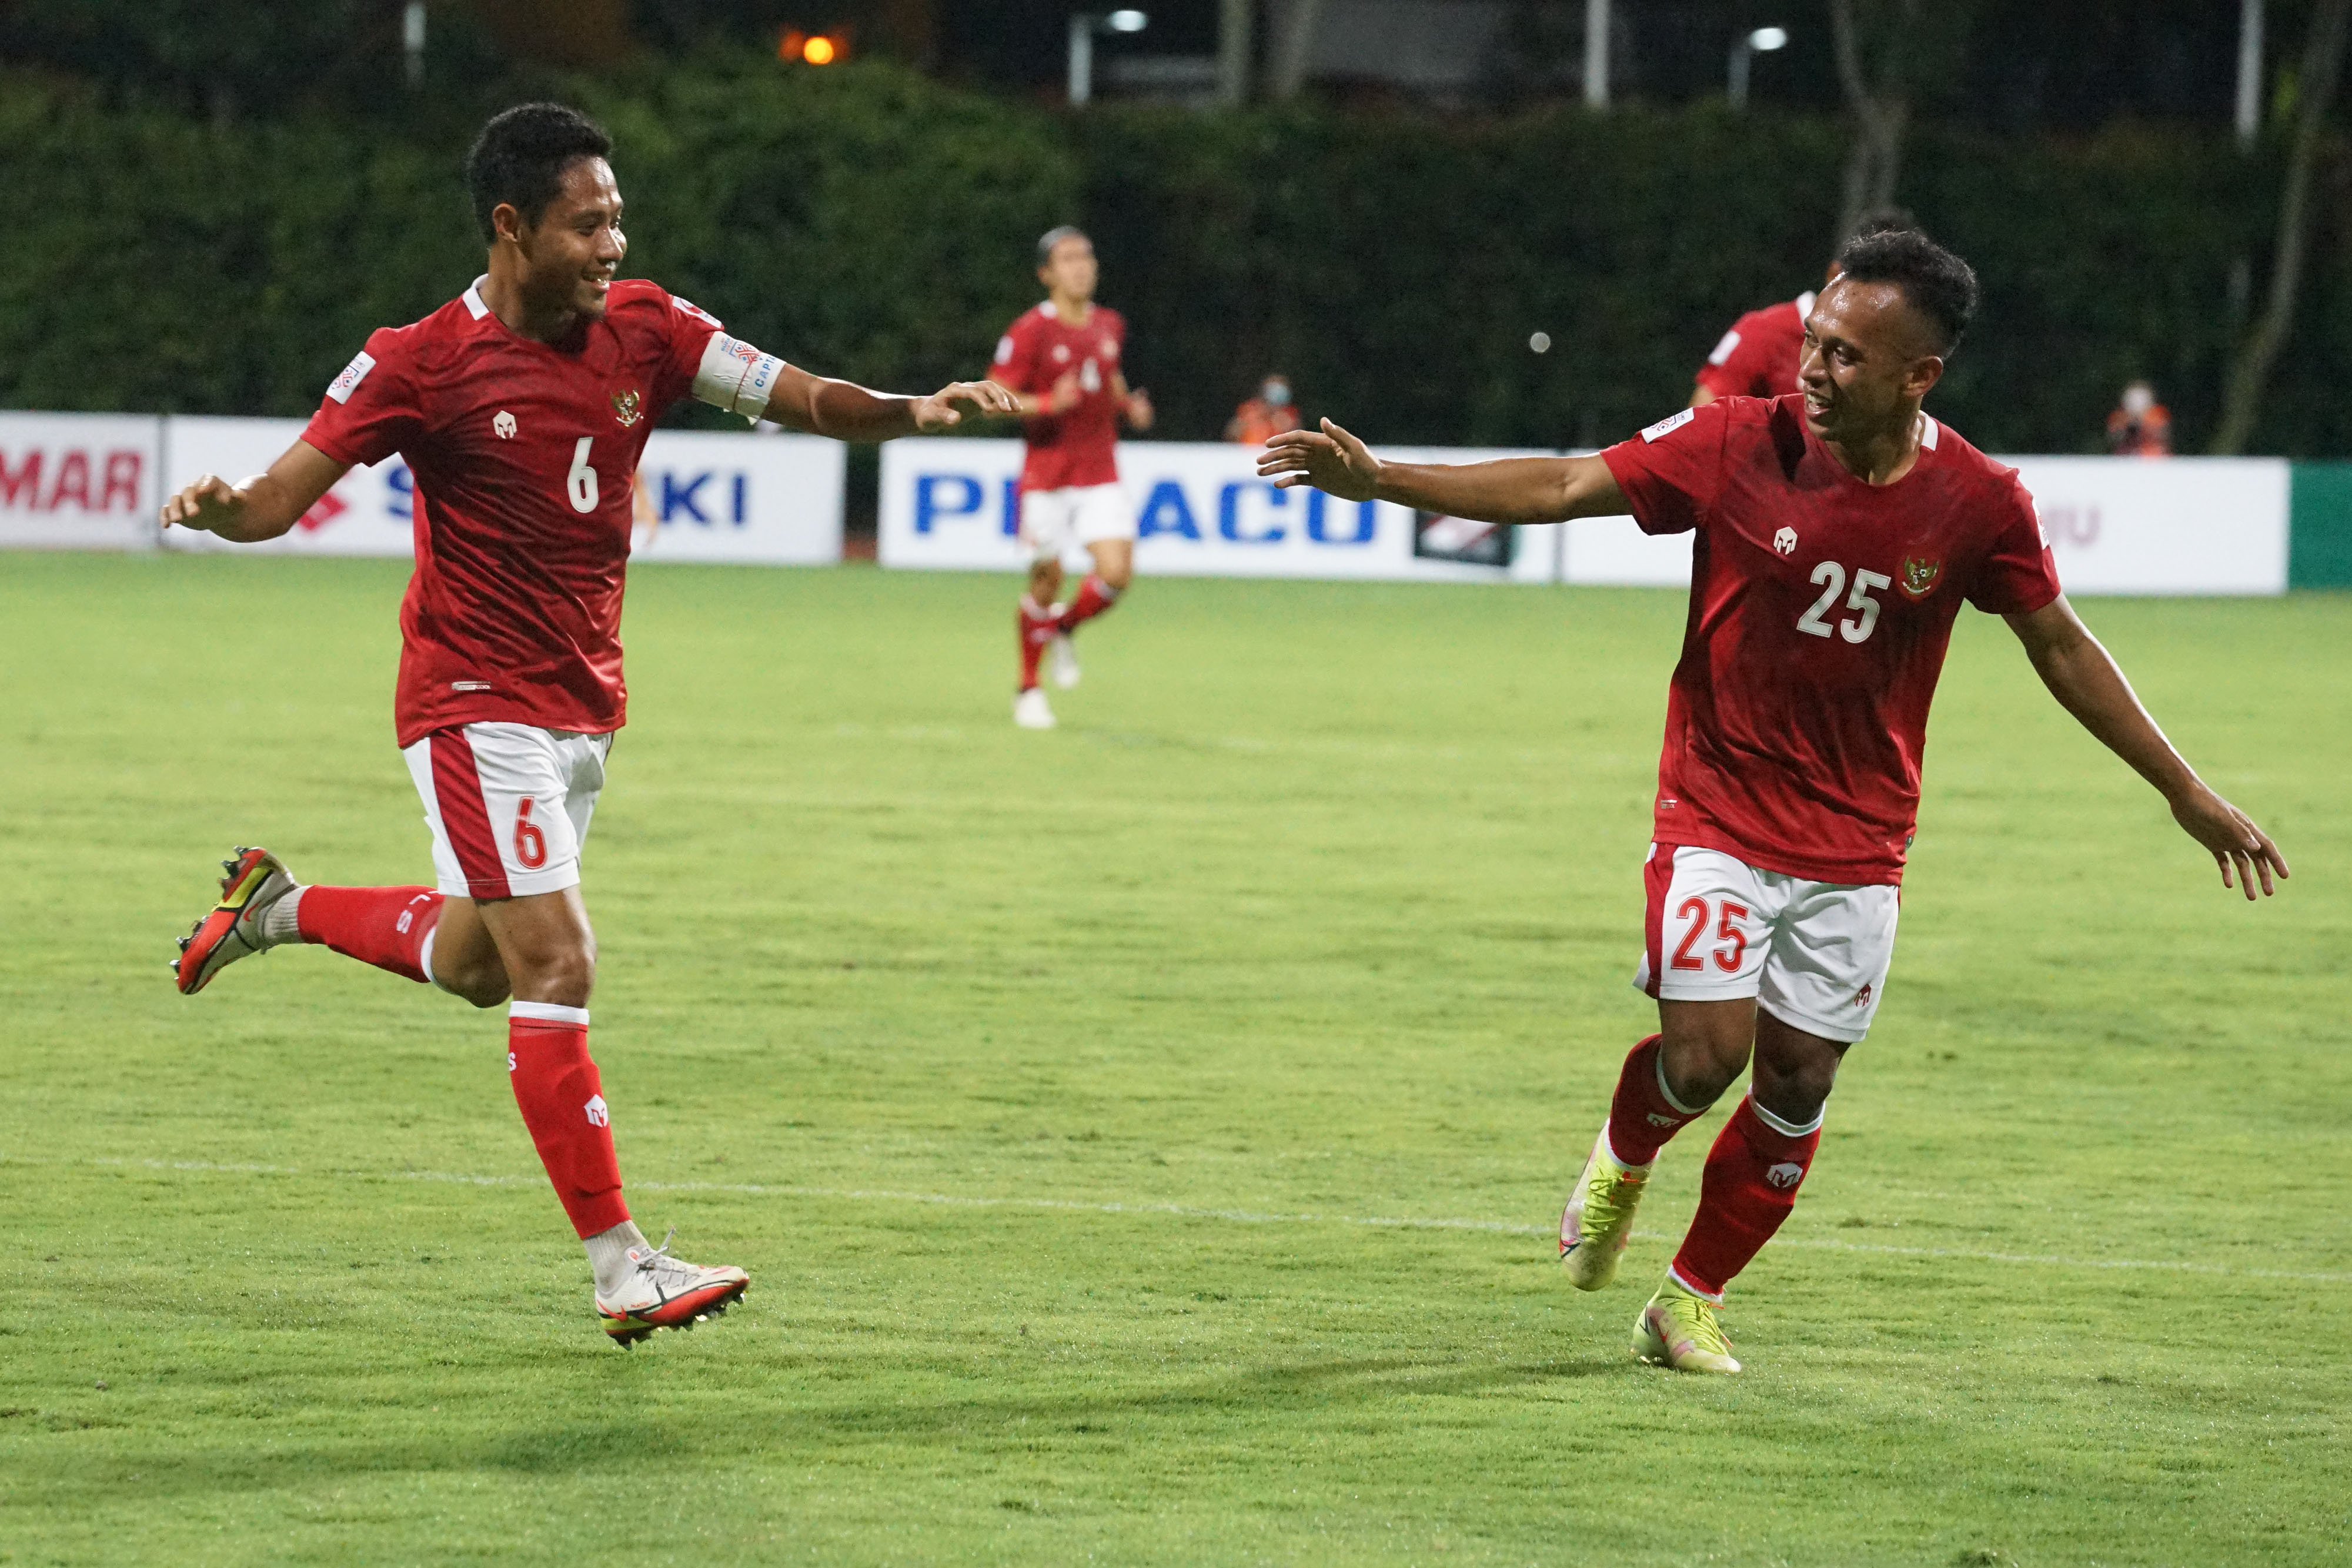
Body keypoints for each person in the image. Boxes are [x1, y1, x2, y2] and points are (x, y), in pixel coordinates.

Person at [1260, 229, 2287, 1375]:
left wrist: (2181, 791)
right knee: (1702, 1057)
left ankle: (1686, 1297)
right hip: (1716, 810)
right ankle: (1621, 1153)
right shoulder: (1733, 444)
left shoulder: (1979, 501)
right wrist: (1384, 478)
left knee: (1796, 1083)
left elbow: (2057, 643)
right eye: (1812, 343)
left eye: (1845, 356)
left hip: (1858, 844)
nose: (1811, 368)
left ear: (1917, 376)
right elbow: (1560, 482)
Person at [162, 103, 1015, 1346]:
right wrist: (223, 508)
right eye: (589, 221)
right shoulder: (420, 359)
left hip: (582, 706)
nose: (614, 241)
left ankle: (277, 906)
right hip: (468, 701)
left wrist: (910, 410)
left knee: (474, 964)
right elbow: (280, 499)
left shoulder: (650, 328)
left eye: (618, 215)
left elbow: (796, 395)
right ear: (510, 227)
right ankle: (622, 1267)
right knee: (557, 962)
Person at [988, 226, 1154, 730]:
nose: (1082, 265)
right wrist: (1044, 403)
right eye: (1068, 258)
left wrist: (1127, 405)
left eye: (1087, 255)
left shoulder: (1110, 324)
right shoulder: (1029, 331)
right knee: (1047, 578)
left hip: (1099, 469)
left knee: (1116, 575)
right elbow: (995, 394)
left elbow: (1109, 373)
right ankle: (1028, 687)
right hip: (1047, 473)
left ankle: (1060, 628)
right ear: (1047, 274)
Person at [1692, 210, 1912, 406]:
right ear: (1835, 277)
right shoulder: (1765, 333)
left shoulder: (1897, 358)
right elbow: (1702, 423)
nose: (1880, 306)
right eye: (1872, 289)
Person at [1227, 374, 1302, 445]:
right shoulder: (1250, 409)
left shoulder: (1290, 414)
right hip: (1247, 454)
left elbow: (1298, 438)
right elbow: (1231, 435)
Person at [2107, 380, 2172, 457]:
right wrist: (2128, 425)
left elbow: (2163, 435)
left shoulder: (2157, 414)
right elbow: (2114, 438)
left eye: (2140, 399)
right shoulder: (2120, 417)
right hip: (2125, 459)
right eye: (2133, 399)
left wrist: (2143, 423)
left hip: (2154, 458)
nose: (2137, 403)